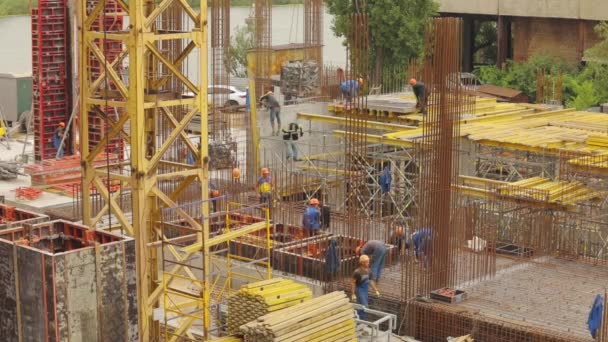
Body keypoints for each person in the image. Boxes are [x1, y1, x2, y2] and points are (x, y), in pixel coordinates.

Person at [351, 254, 380, 320]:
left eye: (368, 261)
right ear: (362, 263)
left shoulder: (369, 271)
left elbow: (370, 281)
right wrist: (353, 294)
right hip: (359, 290)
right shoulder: (357, 272)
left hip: (365, 290)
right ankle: (361, 321)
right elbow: (353, 283)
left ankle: (358, 319)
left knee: (361, 305)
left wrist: (376, 290)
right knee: (365, 306)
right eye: (367, 262)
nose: (368, 263)